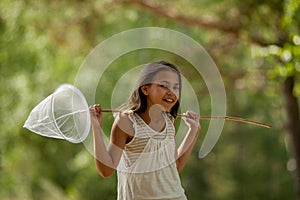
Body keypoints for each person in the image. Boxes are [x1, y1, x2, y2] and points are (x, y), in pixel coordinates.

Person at [89, 61, 201, 200]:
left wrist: (193, 131)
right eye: (163, 86)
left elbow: (174, 167)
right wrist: (96, 127)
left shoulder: (169, 121)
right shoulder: (127, 122)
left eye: (176, 87)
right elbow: (106, 170)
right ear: (145, 89)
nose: (171, 92)